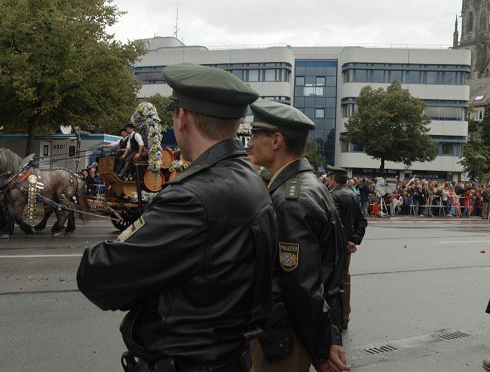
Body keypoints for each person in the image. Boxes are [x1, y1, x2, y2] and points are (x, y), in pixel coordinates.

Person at [78, 63, 277, 372]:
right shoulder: (251, 180)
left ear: (182, 118)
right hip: (229, 355)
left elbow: (98, 275)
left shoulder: (191, 197)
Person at [247, 99, 350, 372]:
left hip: (285, 337)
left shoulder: (290, 200)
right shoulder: (310, 186)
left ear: (277, 141)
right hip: (294, 331)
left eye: (255, 135)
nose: (250, 142)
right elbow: (330, 277)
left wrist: (322, 350)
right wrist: (332, 337)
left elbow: (302, 287)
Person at [325, 165, 367, 331]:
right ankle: (344, 316)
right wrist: (353, 240)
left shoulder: (333, 196)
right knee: (345, 279)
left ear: (334, 178)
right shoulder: (352, 194)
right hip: (346, 245)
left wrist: (344, 241)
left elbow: (335, 224)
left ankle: (333, 318)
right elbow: (362, 220)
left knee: (332, 281)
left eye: (328, 176)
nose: (327, 179)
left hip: (334, 245)